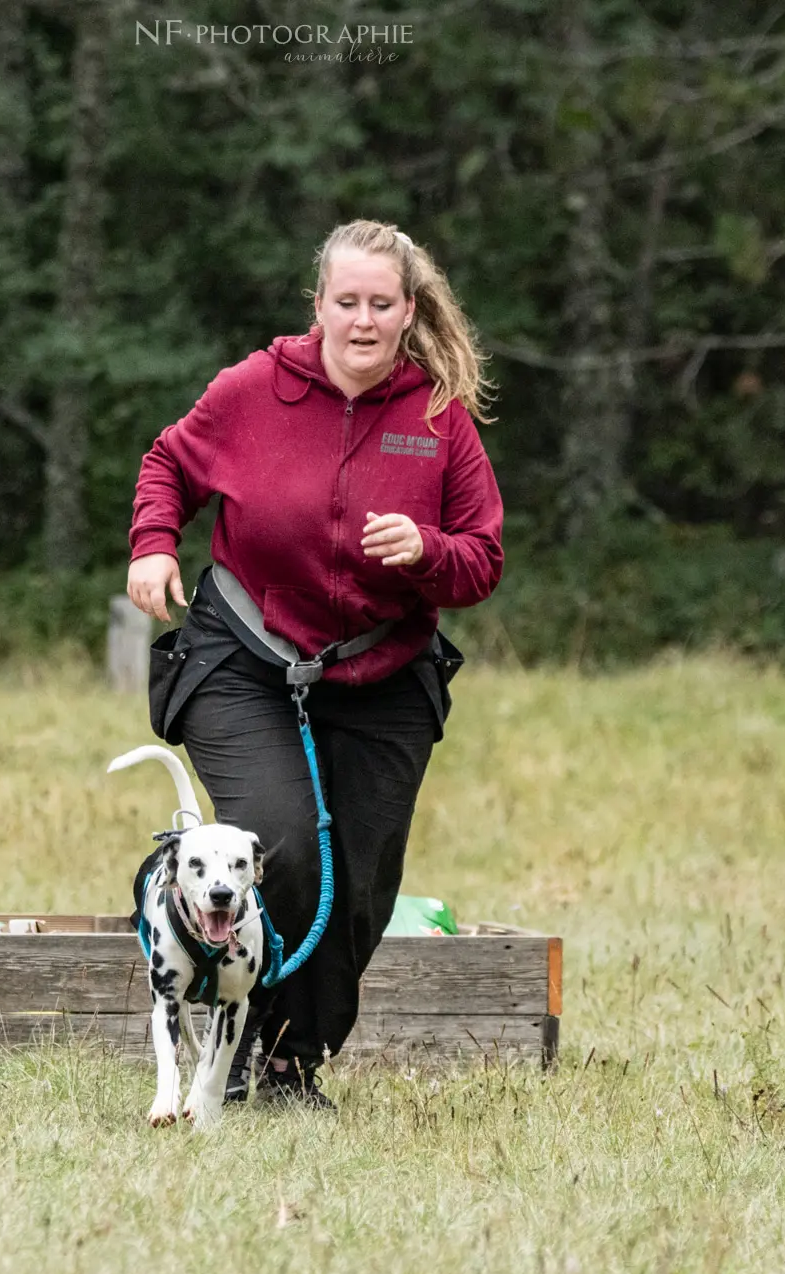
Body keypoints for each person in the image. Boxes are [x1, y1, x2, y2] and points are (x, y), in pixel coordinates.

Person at [126, 218, 505, 1109]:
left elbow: (483, 557)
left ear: (408, 311)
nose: (363, 321)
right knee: (282, 842)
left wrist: (427, 550)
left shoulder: (438, 417)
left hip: (383, 671)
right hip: (245, 657)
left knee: (362, 881)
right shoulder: (254, 388)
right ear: (320, 305)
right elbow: (167, 464)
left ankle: (289, 1062)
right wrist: (152, 545)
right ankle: (224, 1017)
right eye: (347, 302)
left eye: (382, 304)